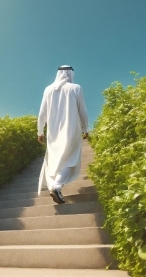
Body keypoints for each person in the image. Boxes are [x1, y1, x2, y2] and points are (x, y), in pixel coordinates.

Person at [37, 65, 89, 204]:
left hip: (53, 132)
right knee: (70, 159)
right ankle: (57, 186)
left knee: (56, 160)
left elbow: (42, 113)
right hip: (71, 130)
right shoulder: (76, 88)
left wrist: (40, 131)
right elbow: (82, 111)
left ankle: (56, 187)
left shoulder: (48, 89)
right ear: (70, 74)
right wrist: (86, 129)